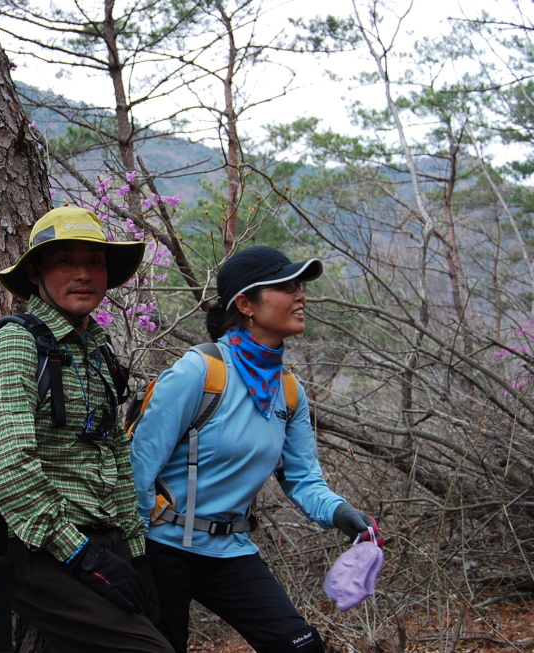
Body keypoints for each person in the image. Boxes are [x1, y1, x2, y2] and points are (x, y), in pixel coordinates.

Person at [129, 245, 382, 653]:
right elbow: (138, 467)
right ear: (245, 304)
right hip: (162, 548)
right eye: (286, 286)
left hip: (230, 549)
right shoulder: (200, 371)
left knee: (299, 646)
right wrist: (136, 555)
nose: (301, 296)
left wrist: (342, 513)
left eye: (300, 285)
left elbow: (302, 478)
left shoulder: (288, 391)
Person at [0, 205, 171, 652]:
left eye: (94, 261)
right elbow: (11, 468)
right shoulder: (15, 344)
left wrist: (135, 552)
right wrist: (81, 554)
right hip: (35, 547)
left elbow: (113, 454)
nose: (83, 274)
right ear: (37, 274)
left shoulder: (95, 350)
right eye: (65, 262)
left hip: (100, 537)